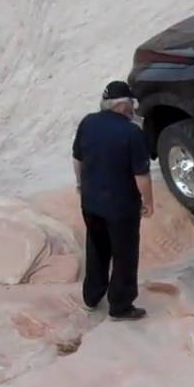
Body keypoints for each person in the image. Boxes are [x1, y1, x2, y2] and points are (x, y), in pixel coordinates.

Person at [72, 80, 154, 320]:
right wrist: (148, 203)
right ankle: (120, 306)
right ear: (125, 105)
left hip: (91, 203)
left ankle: (91, 297)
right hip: (121, 208)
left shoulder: (88, 122)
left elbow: (78, 159)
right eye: (131, 104)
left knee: (96, 249)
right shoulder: (131, 132)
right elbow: (142, 176)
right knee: (124, 255)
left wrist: (80, 184)